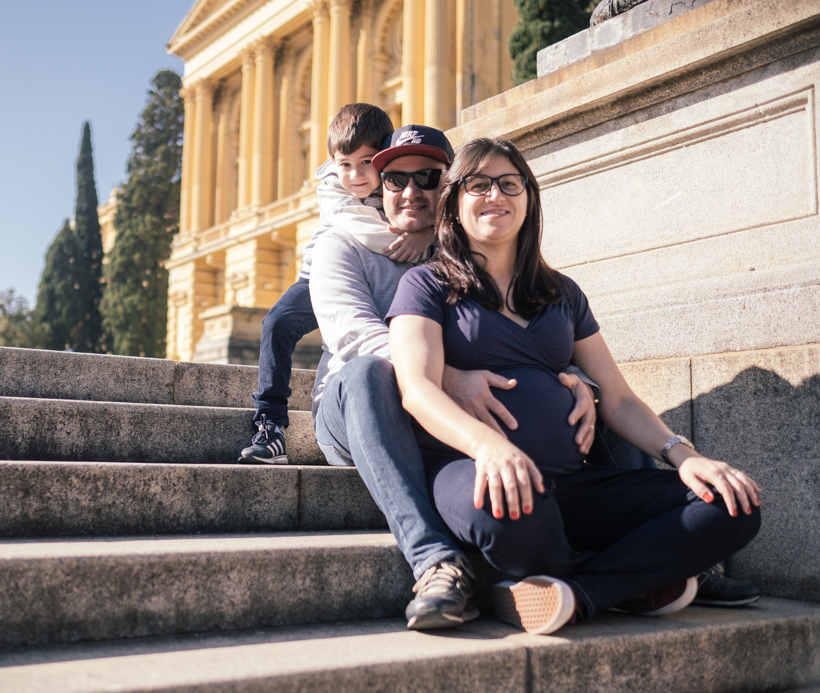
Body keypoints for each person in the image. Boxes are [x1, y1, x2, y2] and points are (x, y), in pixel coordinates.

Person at [385, 137, 762, 634]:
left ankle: (579, 592)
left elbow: (620, 398)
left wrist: (683, 455)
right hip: (473, 473)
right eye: (477, 184)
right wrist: (491, 449)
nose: (494, 195)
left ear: (528, 199)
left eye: (508, 183)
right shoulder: (427, 284)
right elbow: (417, 389)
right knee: (508, 514)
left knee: (733, 503)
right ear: (454, 202)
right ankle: (633, 581)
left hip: (574, 483)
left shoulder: (562, 292)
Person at [310, 124, 600, 629]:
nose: (409, 191)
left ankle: (664, 542)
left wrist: (581, 380)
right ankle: (434, 561)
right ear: (378, 188)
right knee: (369, 371)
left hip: (445, 422)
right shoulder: (342, 245)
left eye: (427, 178)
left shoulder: (469, 245)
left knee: (593, 399)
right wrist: (448, 377)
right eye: (395, 179)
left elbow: (528, 332)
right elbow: (354, 336)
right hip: (364, 409)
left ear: (449, 188)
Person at [239, 103, 433, 464]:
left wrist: (430, 230)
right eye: (345, 164)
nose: (355, 175)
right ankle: (270, 424)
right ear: (332, 162)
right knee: (277, 323)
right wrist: (420, 234)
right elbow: (365, 229)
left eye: (366, 162)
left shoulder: (396, 181)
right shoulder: (332, 189)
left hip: (377, 277)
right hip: (322, 277)